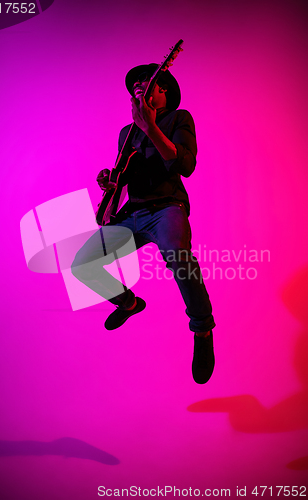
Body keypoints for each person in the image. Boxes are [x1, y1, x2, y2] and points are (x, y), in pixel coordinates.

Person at [72, 64, 216, 384]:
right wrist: (111, 182)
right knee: (82, 263)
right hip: (132, 213)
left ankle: (202, 329)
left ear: (163, 91)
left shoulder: (179, 118)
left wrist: (152, 128)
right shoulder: (126, 133)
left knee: (178, 257)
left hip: (167, 208)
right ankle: (129, 302)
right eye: (135, 84)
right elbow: (124, 176)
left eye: (148, 82)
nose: (139, 85)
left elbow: (185, 164)